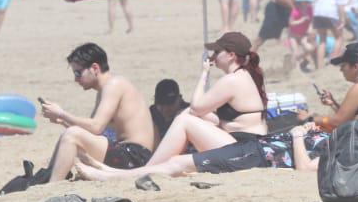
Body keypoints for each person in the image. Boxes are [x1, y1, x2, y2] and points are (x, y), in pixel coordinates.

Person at [75, 32, 268, 181]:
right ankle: (127, 171)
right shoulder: (242, 77)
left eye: (217, 52)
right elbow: (225, 118)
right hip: (242, 142)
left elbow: (196, 107)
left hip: (245, 147)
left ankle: (136, 171)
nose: (213, 55)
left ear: (231, 55)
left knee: (185, 118)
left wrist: (204, 74)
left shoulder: (233, 80)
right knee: (188, 117)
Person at [37, 43, 154, 181]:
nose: (75, 79)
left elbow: (95, 127)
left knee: (72, 135)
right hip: (126, 153)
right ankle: (47, 178)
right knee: (69, 138)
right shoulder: (104, 90)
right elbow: (92, 133)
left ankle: (52, 185)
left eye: (78, 73)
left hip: (135, 156)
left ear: (94, 68)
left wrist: (62, 113)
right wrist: (61, 121)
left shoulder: (114, 84)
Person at [297, 41, 358, 132]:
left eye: (343, 65)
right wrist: (333, 104)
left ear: (356, 67)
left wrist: (310, 119)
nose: (341, 69)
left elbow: (337, 122)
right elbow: (350, 118)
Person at [312, 0, 351, 70]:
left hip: (318, 10)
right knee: (339, 37)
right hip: (330, 11)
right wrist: (342, 19)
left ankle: (320, 66)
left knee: (322, 40)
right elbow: (341, 6)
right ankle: (334, 60)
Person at [149, 78, 189, 148]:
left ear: (179, 99)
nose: (165, 108)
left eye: (169, 104)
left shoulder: (189, 114)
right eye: (161, 104)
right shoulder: (151, 114)